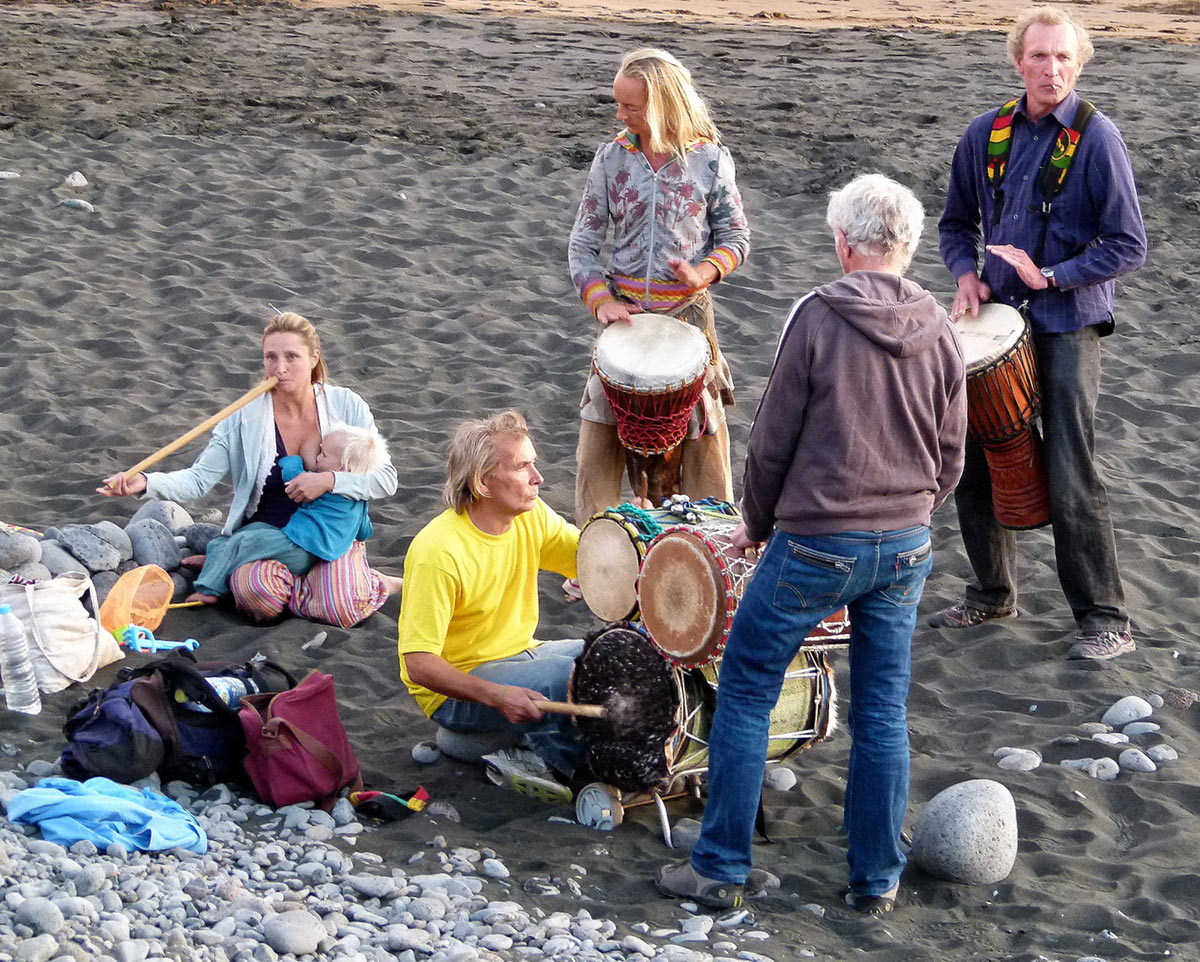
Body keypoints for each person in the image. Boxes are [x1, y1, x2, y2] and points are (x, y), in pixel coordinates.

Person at [656, 174, 966, 915]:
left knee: (746, 689)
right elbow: (953, 451)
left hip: (818, 540)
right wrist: (916, 513)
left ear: (843, 243)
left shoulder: (818, 315)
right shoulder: (941, 326)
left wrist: (753, 527)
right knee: (883, 712)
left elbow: (771, 442)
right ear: (911, 245)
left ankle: (721, 868)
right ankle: (875, 879)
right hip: (906, 545)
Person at [936, 4, 1147, 661]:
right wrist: (966, 275)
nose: (1050, 68)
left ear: (1078, 63)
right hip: (992, 322)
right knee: (971, 459)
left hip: (1066, 323)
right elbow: (954, 224)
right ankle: (991, 593)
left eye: (1063, 57)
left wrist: (1052, 274)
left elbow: (1128, 243)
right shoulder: (984, 133)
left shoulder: (1097, 137)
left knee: (1069, 466)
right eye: (1039, 56)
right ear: (1018, 60)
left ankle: (1103, 616)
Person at [100, 311, 402, 627]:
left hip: (328, 538)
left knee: (339, 611)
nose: (280, 368)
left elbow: (386, 479)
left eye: (291, 357)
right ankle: (264, 570)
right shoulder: (244, 416)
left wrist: (328, 480)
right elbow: (199, 479)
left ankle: (374, 582)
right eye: (271, 357)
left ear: (314, 358)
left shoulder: (346, 405)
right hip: (266, 536)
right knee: (257, 598)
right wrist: (146, 482)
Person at [567, 48, 751, 536]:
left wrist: (705, 272)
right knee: (595, 449)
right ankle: (595, 555)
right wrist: (601, 300)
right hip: (624, 329)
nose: (621, 116)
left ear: (666, 104)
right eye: (619, 104)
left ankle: (715, 548)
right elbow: (582, 244)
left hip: (687, 321)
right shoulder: (611, 159)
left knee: (705, 448)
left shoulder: (710, 161)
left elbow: (737, 237)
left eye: (632, 107)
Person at [397, 411, 587, 801]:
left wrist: (631, 533)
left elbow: (591, 557)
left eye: (533, 463)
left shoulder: (532, 518)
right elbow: (418, 663)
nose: (538, 478)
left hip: (522, 654)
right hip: (456, 692)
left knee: (616, 651)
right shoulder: (439, 552)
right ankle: (578, 773)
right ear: (483, 482)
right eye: (522, 467)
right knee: (574, 675)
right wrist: (498, 696)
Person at [185, 425, 393, 604]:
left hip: (297, 547)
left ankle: (209, 590)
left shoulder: (328, 489)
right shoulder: (359, 501)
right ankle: (216, 560)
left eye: (324, 455)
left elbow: (293, 478)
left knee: (242, 543)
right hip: (313, 553)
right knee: (255, 531)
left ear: (343, 468)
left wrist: (292, 457)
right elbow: (364, 531)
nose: (318, 458)